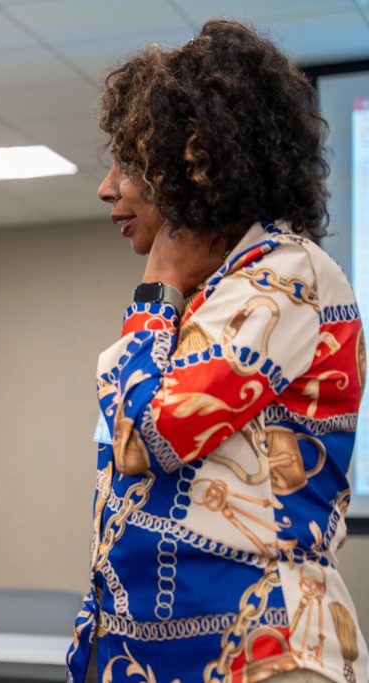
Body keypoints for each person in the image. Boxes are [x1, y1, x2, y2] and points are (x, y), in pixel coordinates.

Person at [68, 20, 367, 683]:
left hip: (264, 654)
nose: (107, 187)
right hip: (157, 657)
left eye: (129, 160)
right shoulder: (206, 299)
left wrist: (157, 289)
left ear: (192, 162)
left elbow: (150, 434)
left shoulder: (290, 275)